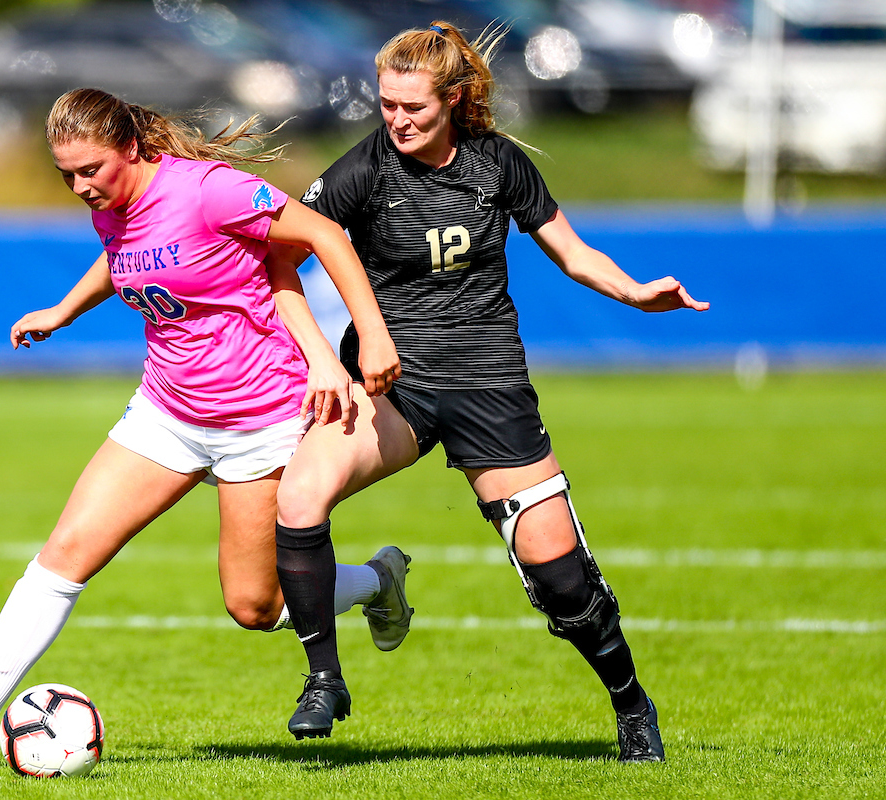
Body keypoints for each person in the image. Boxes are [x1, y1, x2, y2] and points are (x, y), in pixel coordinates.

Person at [0, 87, 416, 763]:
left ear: (131, 148)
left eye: (91, 170)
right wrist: (63, 309)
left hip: (258, 419)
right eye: (66, 175)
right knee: (65, 554)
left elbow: (323, 233)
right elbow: (125, 257)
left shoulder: (207, 191)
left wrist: (369, 337)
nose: (80, 187)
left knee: (255, 607)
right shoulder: (111, 206)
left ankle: (377, 580)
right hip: (165, 413)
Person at [267, 22, 709, 761]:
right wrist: (324, 360)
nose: (397, 120)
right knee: (299, 497)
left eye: (414, 108)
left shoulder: (497, 163)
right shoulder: (362, 170)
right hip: (393, 388)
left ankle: (631, 705)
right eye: (386, 105)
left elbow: (569, 251)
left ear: (455, 99)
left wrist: (634, 293)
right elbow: (280, 260)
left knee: (561, 581)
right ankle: (324, 679)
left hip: (489, 383)